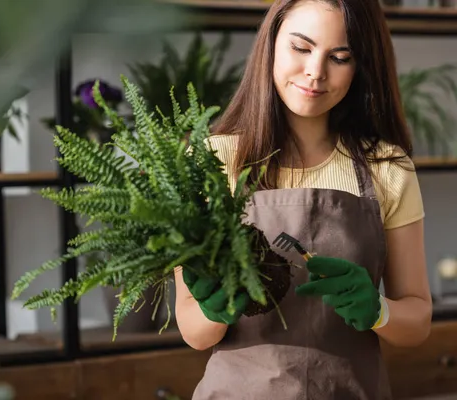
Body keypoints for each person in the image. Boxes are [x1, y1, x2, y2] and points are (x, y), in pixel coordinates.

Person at [173, 0, 433, 399]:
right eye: (300, 47)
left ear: (361, 66)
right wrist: (213, 309)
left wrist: (380, 311)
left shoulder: (388, 168)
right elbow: (193, 331)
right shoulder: (209, 162)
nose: (316, 72)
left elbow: (417, 321)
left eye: (340, 57)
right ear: (271, 43)